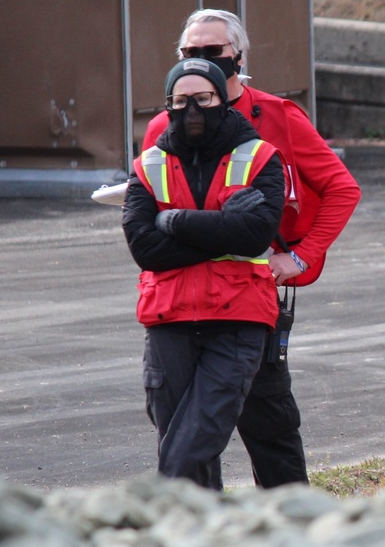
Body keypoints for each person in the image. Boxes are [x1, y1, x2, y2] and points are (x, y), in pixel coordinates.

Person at [142, 9, 361, 488]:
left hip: (250, 298)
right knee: (182, 425)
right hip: (177, 302)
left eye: (212, 53)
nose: (200, 61)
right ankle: (197, 532)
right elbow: (147, 218)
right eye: (190, 54)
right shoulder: (164, 125)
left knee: (268, 419)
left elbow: (341, 190)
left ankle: (294, 524)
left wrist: (301, 257)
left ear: (238, 57)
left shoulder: (278, 118)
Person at [122, 58, 286, 491]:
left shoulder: (261, 157)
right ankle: (198, 540)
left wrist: (174, 222)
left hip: (238, 319)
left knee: (196, 436)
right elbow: (145, 249)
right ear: (167, 105)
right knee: (178, 435)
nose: (192, 109)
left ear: (223, 99)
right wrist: (221, 226)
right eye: (180, 100)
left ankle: (159, 505)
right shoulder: (147, 165)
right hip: (168, 320)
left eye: (203, 98)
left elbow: (254, 236)